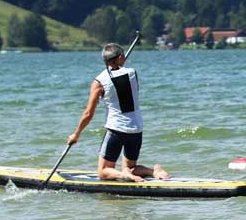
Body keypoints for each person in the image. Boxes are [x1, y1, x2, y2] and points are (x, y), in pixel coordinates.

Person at [66, 43, 169, 182]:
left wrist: (76, 134)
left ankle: (124, 175)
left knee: (103, 172)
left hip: (116, 130)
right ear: (120, 57)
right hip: (136, 129)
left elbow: (88, 113)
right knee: (130, 167)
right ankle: (153, 171)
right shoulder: (132, 73)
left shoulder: (99, 82)